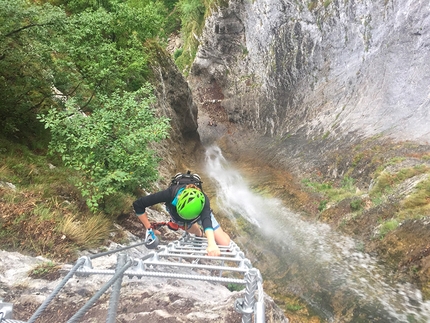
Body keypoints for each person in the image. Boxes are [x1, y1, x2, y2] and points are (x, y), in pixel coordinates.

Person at [133, 180, 231, 257]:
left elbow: (206, 220)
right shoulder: (170, 194)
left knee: (224, 243)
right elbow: (138, 204)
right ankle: (199, 233)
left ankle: (216, 232)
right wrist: (149, 228)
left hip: (199, 214)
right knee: (190, 227)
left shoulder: (204, 201)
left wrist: (212, 243)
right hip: (177, 216)